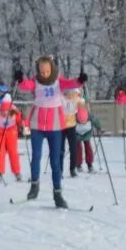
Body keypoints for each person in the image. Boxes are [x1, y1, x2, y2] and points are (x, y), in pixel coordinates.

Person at [14, 56, 86, 208]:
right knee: (36, 156)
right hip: (37, 124)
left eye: (47, 71)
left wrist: (80, 80)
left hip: (55, 125)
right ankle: (34, 187)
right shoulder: (35, 81)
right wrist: (20, 80)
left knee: (55, 160)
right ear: (38, 70)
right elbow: (25, 86)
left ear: (52, 69)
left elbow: (71, 83)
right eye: (42, 71)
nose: (45, 74)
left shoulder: (58, 81)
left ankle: (58, 194)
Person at [62, 87, 95, 176]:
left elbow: (91, 116)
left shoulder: (82, 103)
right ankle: (79, 164)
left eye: (77, 94)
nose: (76, 96)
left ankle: (88, 164)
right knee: (78, 148)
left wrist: (97, 125)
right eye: (75, 94)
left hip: (84, 130)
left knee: (86, 146)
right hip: (76, 130)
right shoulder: (74, 103)